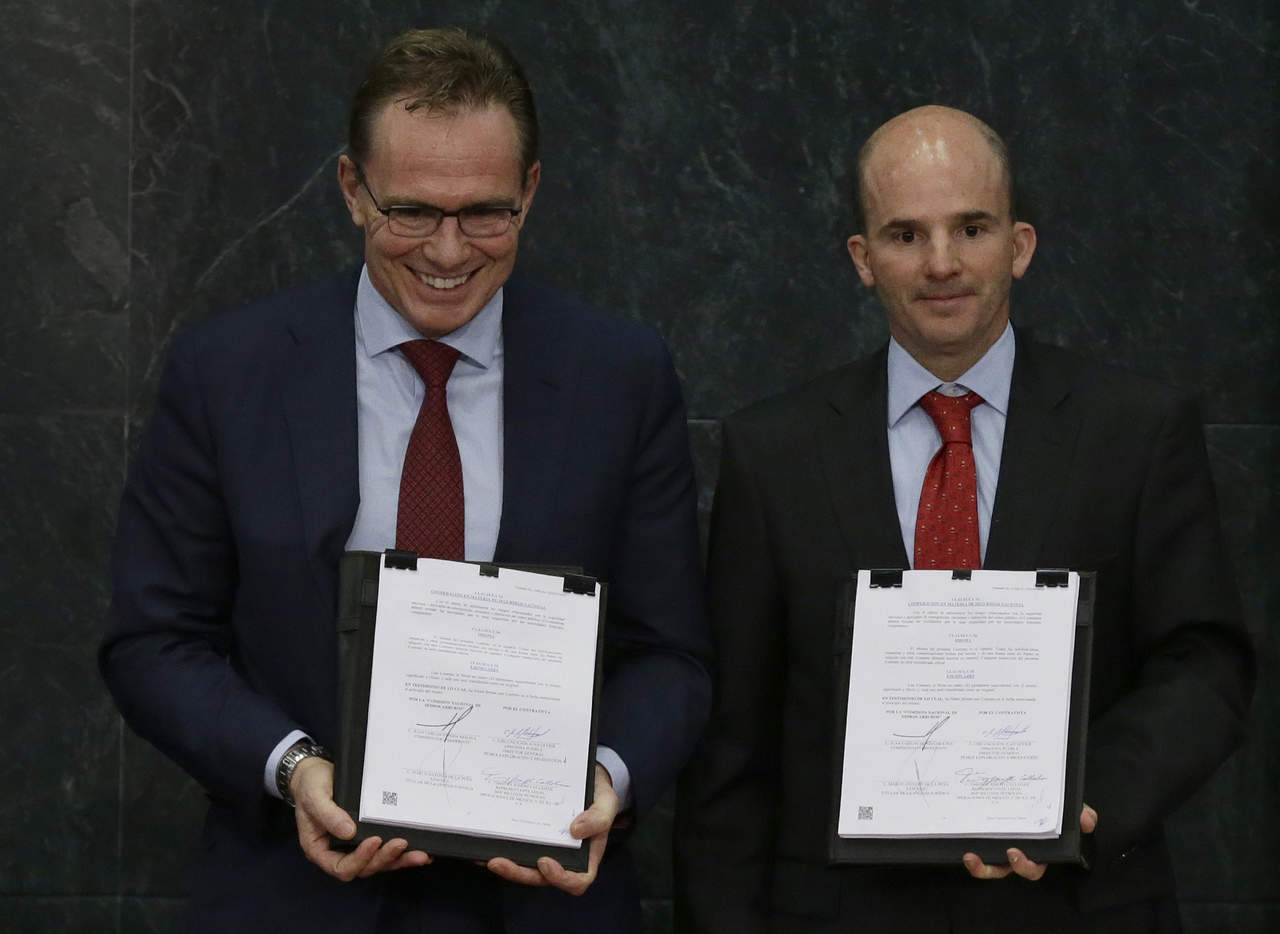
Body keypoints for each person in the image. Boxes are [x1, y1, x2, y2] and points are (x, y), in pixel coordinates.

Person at [101, 27, 710, 934]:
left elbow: (671, 655)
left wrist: (604, 780)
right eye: (413, 212)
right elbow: (154, 640)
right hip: (291, 897)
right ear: (353, 189)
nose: (449, 252)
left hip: (544, 902)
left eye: (485, 213)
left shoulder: (619, 377)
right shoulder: (228, 374)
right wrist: (292, 768)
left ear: (531, 191)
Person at [673, 105, 1253, 933]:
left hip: (1076, 908)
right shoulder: (775, 454)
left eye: (971, 228)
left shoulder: (1136, 432)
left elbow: (1205, 664)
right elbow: (733, 746)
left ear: (1019, 245)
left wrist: (1087, 800)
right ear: (862, 259)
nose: (941, 263)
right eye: (906, 235)